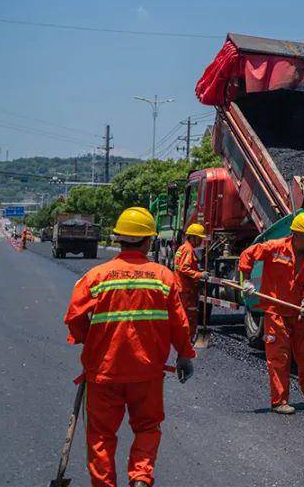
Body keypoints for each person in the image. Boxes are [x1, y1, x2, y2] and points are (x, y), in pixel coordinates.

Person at [64, 206, 196, 487]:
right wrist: (184, 355)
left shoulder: (97, 276)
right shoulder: (163, 277)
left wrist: (88, 338)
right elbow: (179, 323)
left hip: (103, 372)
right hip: (147, 373)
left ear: (118, 238)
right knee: (147, 427)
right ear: (148, 241)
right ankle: (140, 478)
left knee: (101, 435)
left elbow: (74, 316)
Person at [238, 211, 304, 414]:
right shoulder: (275, 247)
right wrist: (247, 279)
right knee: (279, 356)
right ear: (296, 234)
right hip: (276, 311)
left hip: (299, 312)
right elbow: (247, 255)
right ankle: (279, 401)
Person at [173, 223, 208, 341]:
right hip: (187, 290)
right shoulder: (188, 250)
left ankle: (183, 338)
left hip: (182, 287)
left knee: (183, 315)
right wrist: (200, 274)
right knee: (190, 316)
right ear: (192, 237)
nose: (200, 241)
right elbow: (184, 268)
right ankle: (187, 340)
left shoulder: (182, 248)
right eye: (199, 238)